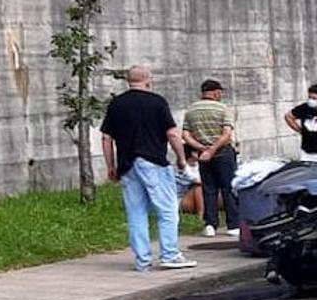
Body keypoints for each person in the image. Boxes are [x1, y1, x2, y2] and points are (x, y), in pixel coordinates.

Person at [100, 65, 196, 272]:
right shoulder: (157, 102)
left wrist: (111, 166)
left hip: (127, 165)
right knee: (168, 210)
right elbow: (172, 134)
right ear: (148, 80)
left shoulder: (117, 104)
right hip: (154, 162)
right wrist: (181, 159)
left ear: (129, 81)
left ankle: (142, 260)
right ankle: (170, 254)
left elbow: (106, 138)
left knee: (136, 213)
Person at [182, 79, 240, 237]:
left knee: (209, 189)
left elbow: (185, 135)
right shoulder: (222, 108)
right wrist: (213, 148)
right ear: (216, 92)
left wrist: (202, 148)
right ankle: (233, 225)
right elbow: (227, 133)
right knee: (229, 188)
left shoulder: (191, 110)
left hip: (203, 156)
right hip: (223, 153)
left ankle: (210, 225)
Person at [174, 147, 202, 215]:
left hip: (190, 196)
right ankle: (201, 214)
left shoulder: (198, 165)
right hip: (180, 201)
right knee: (198, 188)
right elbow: (198, 181)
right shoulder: (182, 167)